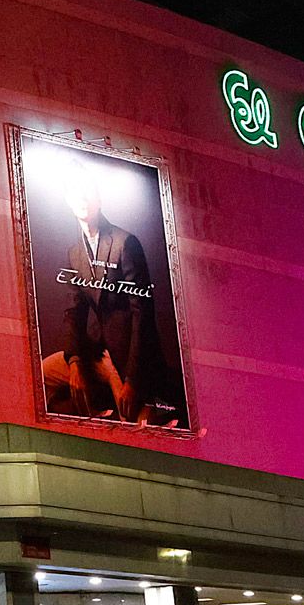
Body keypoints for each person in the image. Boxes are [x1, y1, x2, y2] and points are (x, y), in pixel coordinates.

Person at [38, 161, 175, 426]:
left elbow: (142, 316)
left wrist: (133, 379)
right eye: (74, 191)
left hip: (128, 358)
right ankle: (96, 415)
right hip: (96, 352)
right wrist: (75, 361)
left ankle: (144, 415)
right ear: (67, 200)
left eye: (87, 190)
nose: (82, 198)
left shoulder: (125, 243)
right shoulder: (75, 253)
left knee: (135, 426)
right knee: (41, 376)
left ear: (99, 198)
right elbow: (73, 313)